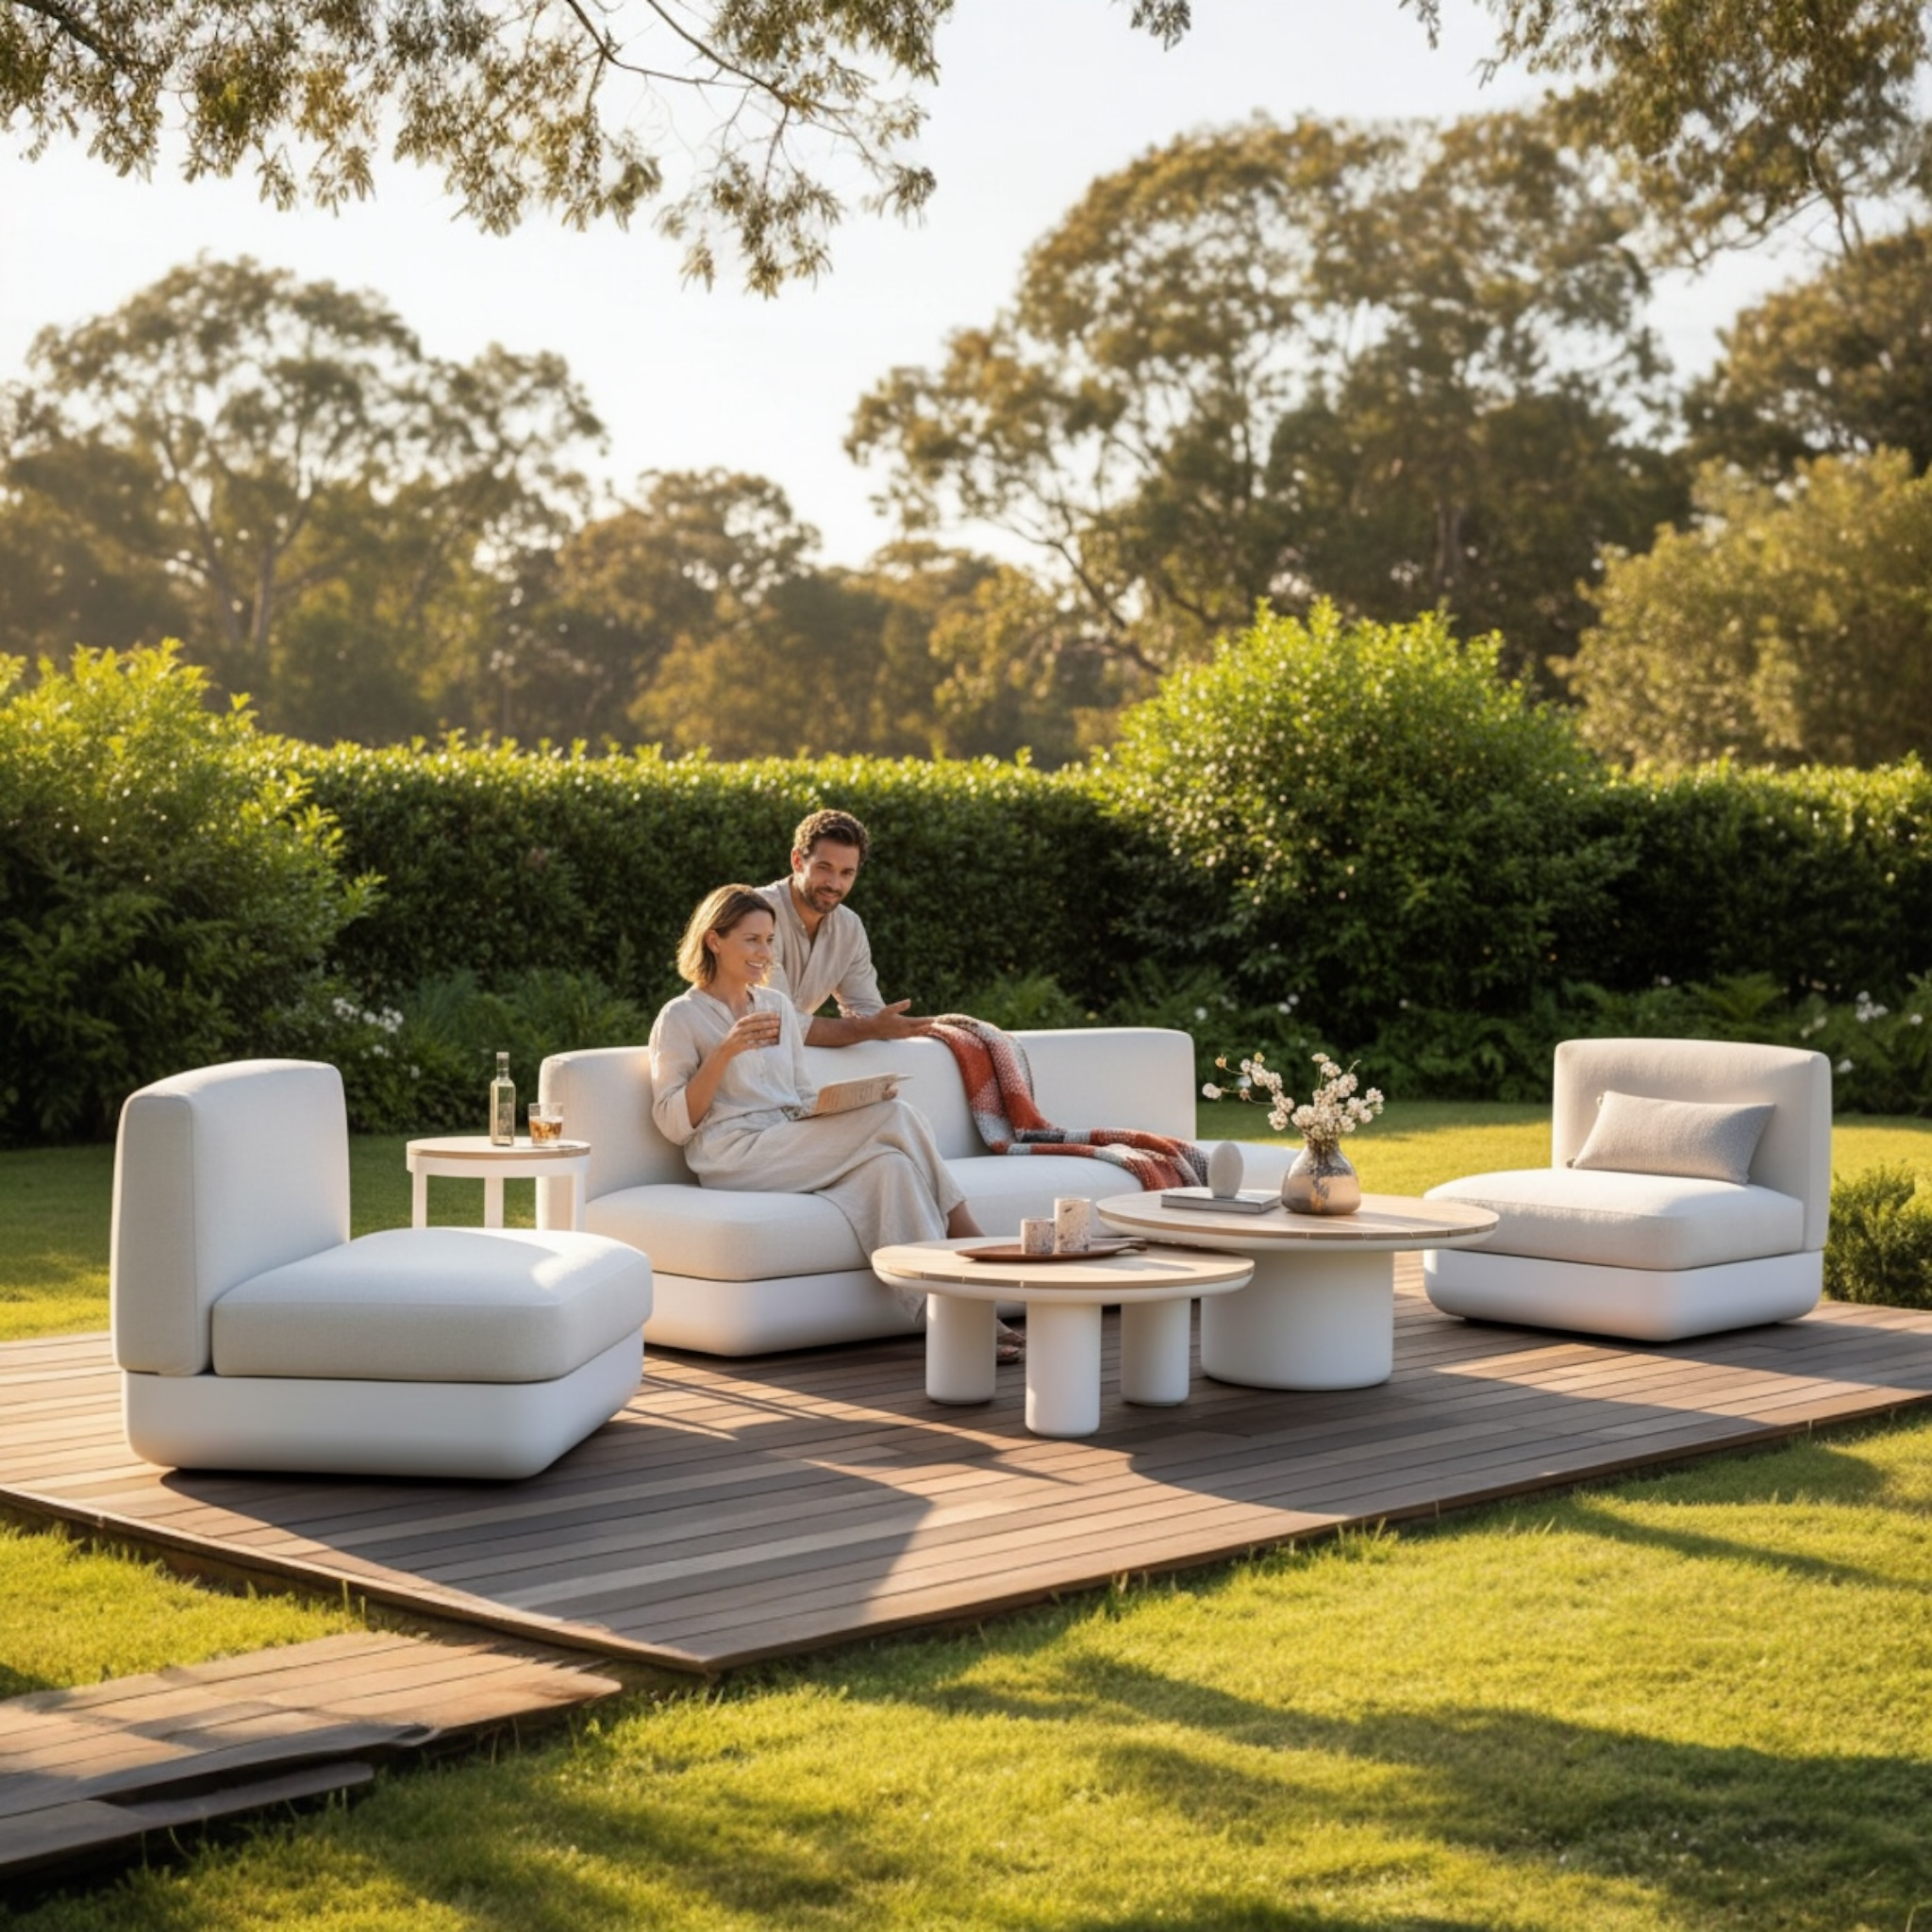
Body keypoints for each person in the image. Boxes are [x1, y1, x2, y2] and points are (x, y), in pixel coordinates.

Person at [649, 884, 1018, 1351]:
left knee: (892, 1169)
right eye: (752, 940)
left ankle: (956, 1321)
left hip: (789, 1139)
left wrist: (839, 1106)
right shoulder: (680, 1017)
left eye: (769, 940)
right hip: (733, 1154)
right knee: (896, 1115)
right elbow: (673, 1122)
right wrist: (725, 1052)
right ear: (714, 940)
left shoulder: (777, 1006)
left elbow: (798, 1093)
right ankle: (968, 1232)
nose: (765, 953)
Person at [755, 808, 929, 1045]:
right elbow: (776, 1022)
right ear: (797, 861)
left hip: (789, 1063)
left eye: (847, 873)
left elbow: (867, 1011)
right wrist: (868, 1029)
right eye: (824, 867)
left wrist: (890, 1028)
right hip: (725, 1062)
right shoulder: (755, 913)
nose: (834, 884)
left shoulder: (849, 927)